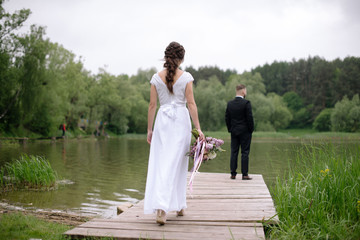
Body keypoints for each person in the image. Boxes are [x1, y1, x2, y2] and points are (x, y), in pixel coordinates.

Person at [144, 41, 204, 225]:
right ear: (181, 59)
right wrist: (198, 128)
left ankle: (178, 205)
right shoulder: (186, 77)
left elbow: (152, 105)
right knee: (177, 163)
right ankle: (163, 209)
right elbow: (191, 104)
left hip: (162, 121)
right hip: (180, 121)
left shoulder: (156, 78)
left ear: (166, 57)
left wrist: (149, 129)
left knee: (164, 163)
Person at [225, 84, 254, 180]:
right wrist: (251, 129)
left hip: (234, 131)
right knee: (245, 152)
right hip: (245, 131)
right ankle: (244, 174)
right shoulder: (246, 103)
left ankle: (233, 174)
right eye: (246, 90)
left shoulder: (230, 104)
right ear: (243, 91)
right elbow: (250, 118)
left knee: (234, 152)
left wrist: (230, 129)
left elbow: (227, 118)